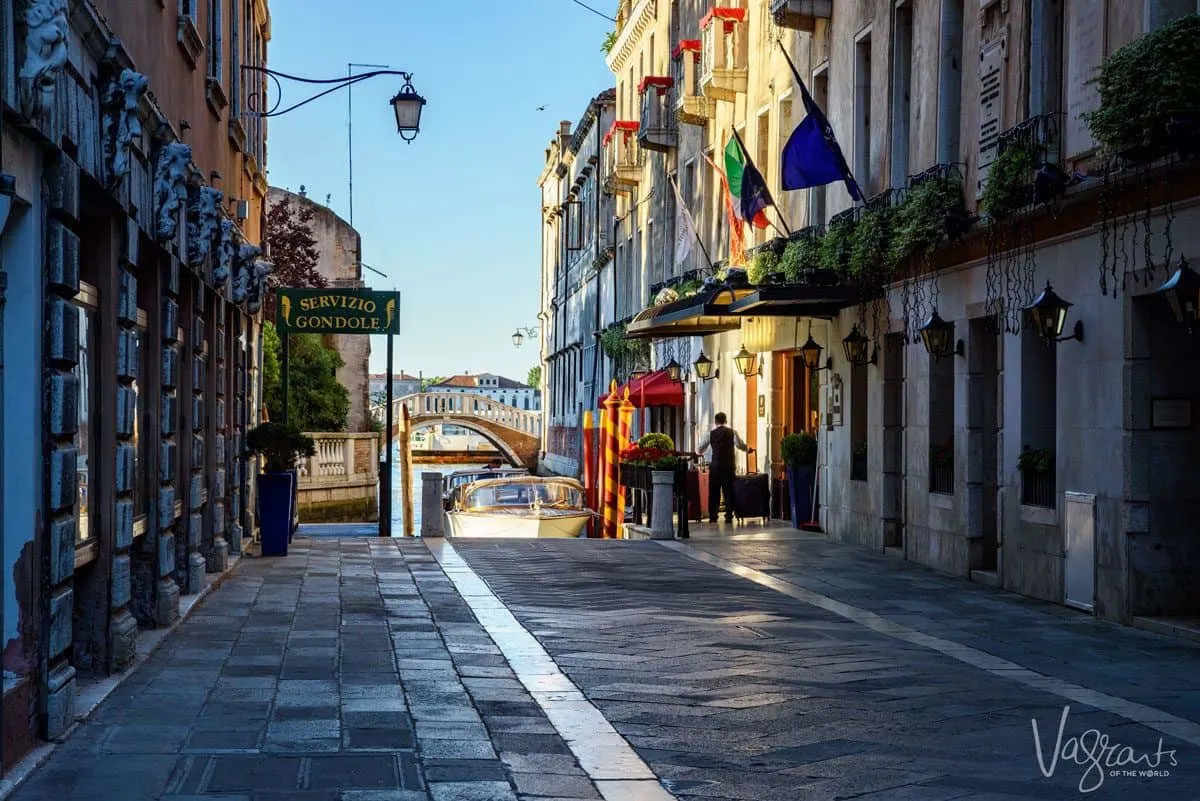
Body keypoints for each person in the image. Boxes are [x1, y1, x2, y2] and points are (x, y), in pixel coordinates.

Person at [694, 412, 753, 524]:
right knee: (729, 491)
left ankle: (713, 516)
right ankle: (729, 516)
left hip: (715, 466)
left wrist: (699, 452)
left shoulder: (710, 434)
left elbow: (699, 449)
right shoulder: (732, 433)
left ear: (715, 422)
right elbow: (740, 445)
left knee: (714, 492)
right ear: (726, 421)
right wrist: (748, 449)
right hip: (729, 466)